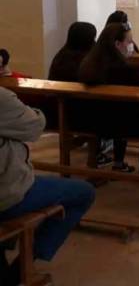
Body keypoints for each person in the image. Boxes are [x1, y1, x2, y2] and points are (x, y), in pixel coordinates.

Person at [0, 87, 95, 285]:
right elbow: (34, 126)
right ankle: (25, 264)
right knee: (83, 193)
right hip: (6, 196)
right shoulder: (2, 98)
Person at [78, 23, 139, 175]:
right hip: (126, 126)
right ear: (117, 44)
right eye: (129, 42)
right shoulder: (126, 71)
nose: (132, 45)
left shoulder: (88, 66)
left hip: (92, 122)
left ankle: (112, 162)